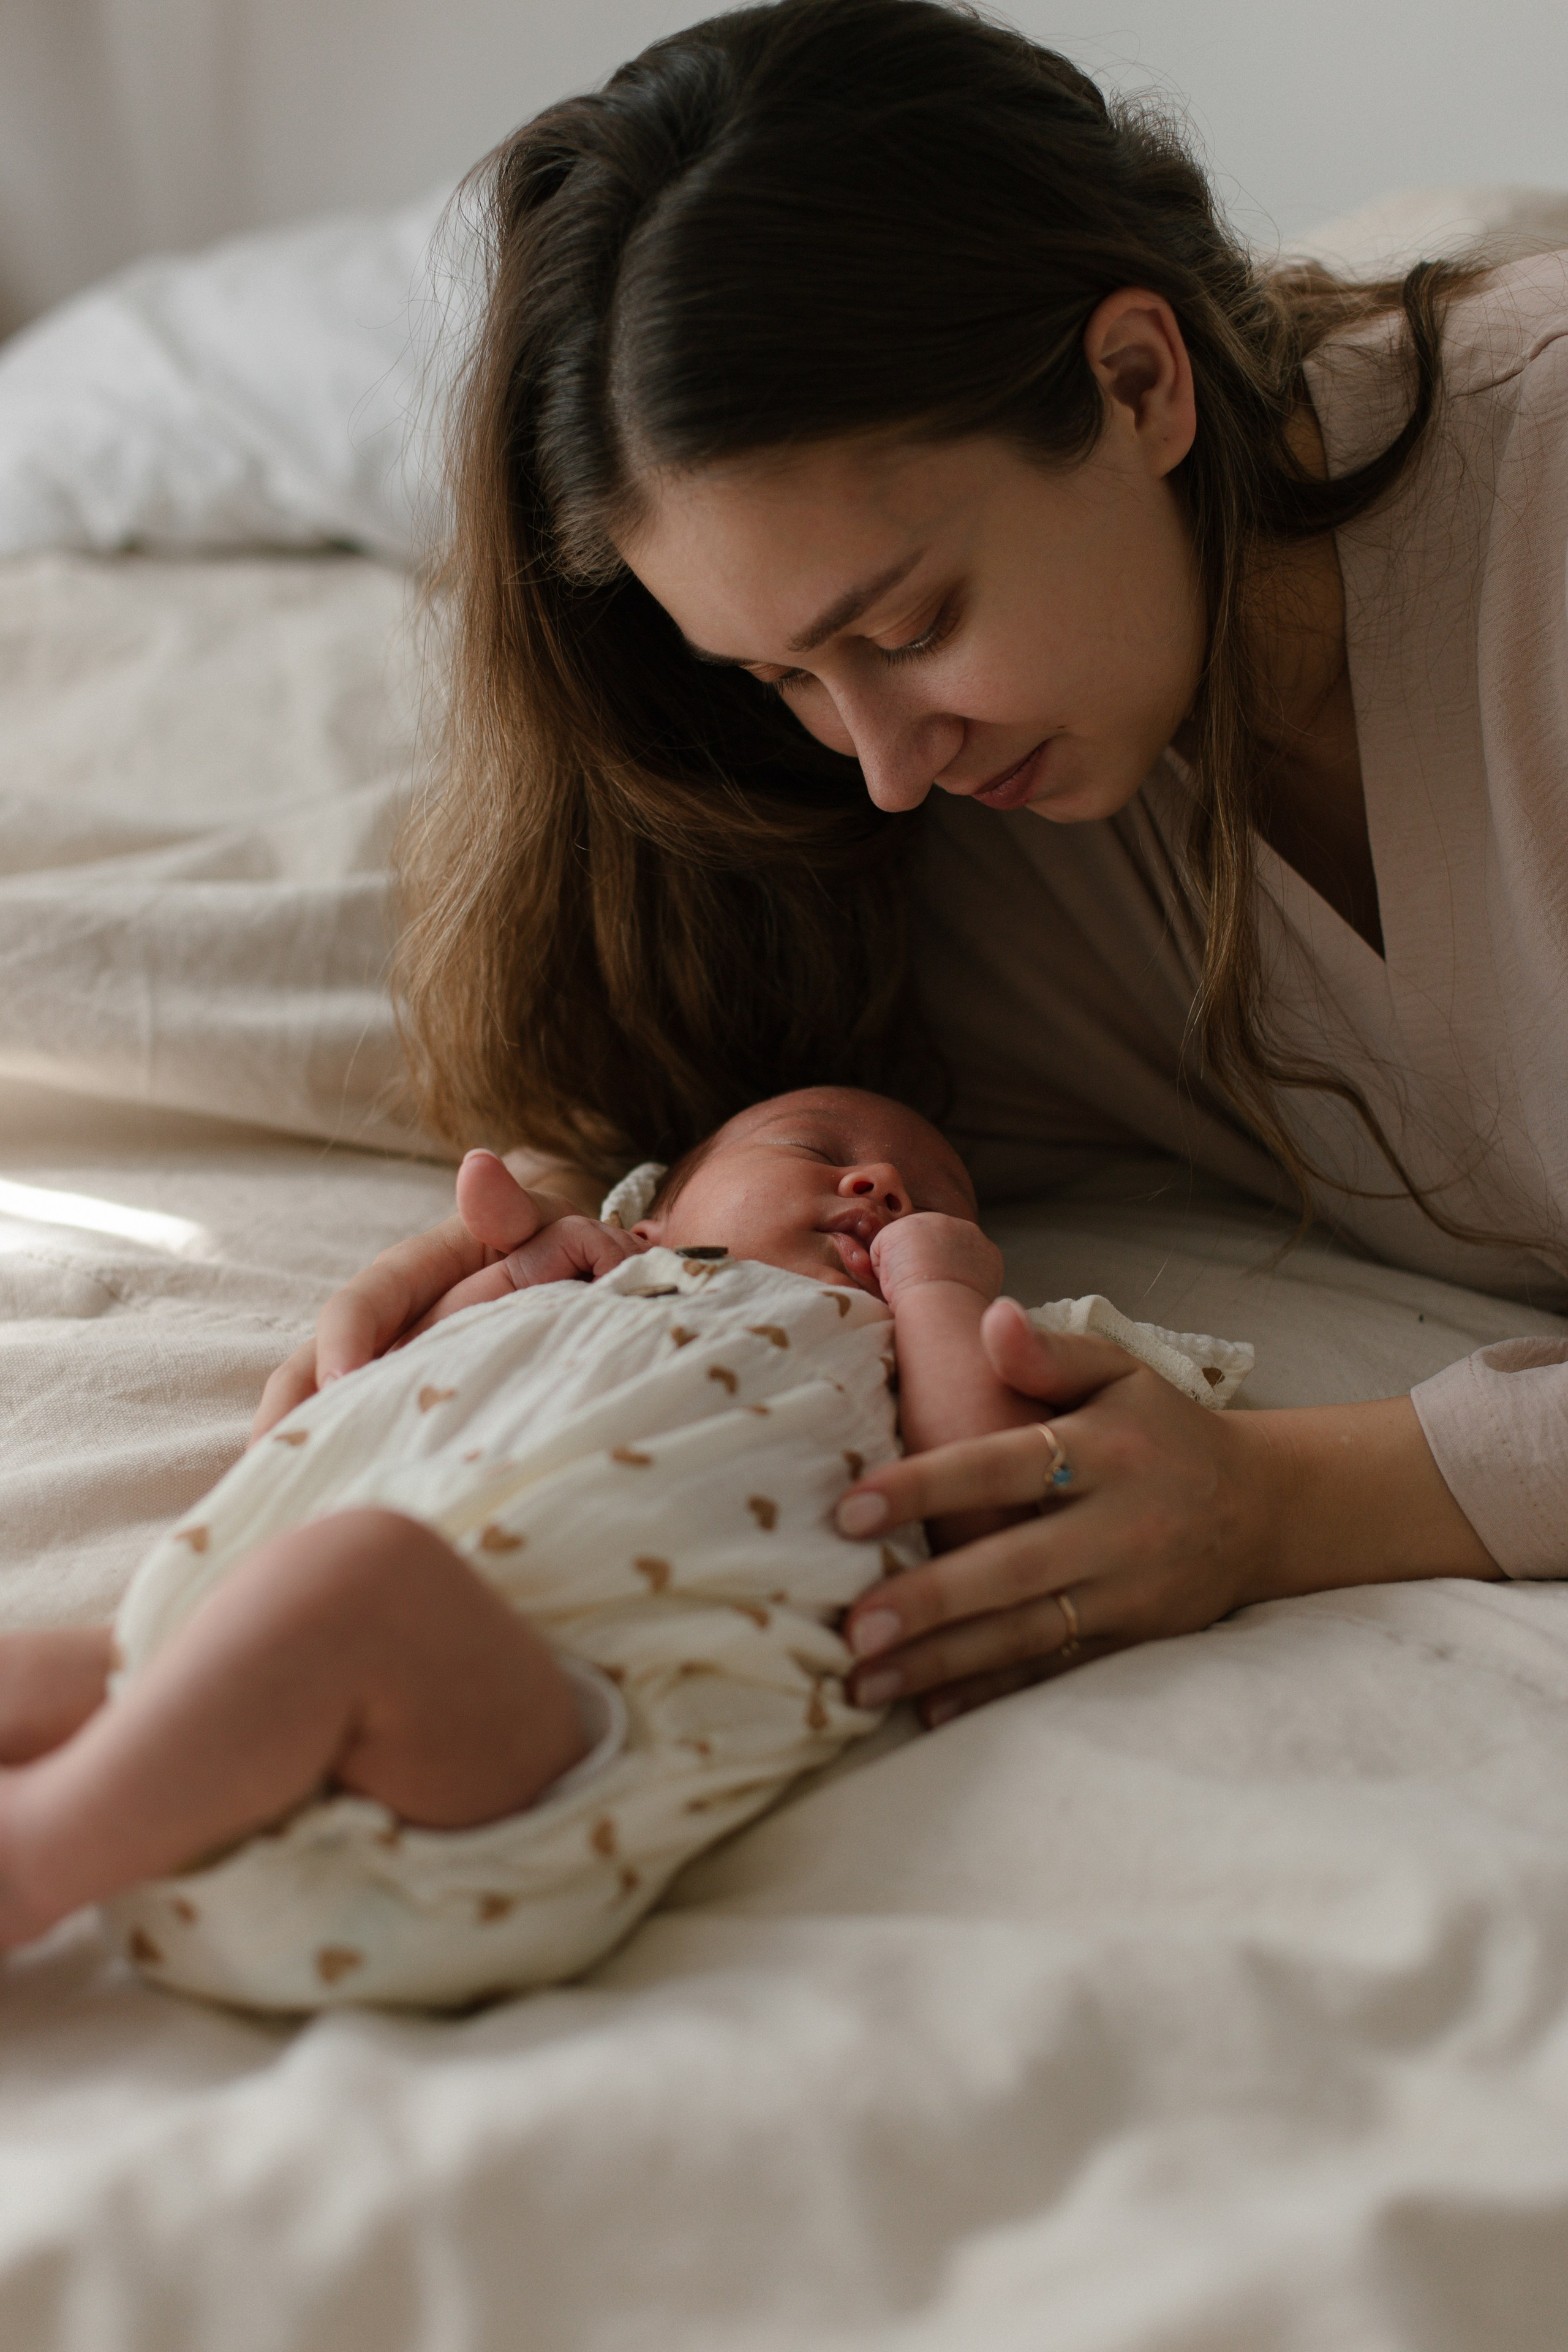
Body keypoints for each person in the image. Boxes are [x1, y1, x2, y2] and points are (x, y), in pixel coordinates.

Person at [257, 0, 1566, 1733]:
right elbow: (680, 1069)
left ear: (1138, 384)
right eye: (781, 676)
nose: (881, 763)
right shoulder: (940, 834)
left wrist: (1287, 1499)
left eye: (909, 626)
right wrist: (597, 1246)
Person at [0, 1087, 1246, 2008]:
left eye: (935, 1200)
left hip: (520, 1765)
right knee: (82, 1662)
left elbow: (985, 1511)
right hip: (251, 1717)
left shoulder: (912, 1349)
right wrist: (507, 1275)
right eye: (818, 1151)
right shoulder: (602, 1272)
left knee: (357, 1582)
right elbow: (408, 1383)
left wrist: (937, 1295)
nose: (880, 1186)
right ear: (654, 1209)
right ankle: (93, 1804)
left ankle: (33, 1859)